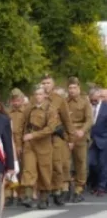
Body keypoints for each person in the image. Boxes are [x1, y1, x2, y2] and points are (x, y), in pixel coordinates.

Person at [20, 86, 58, 208]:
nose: (38, 97)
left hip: (44, 143)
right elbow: (23, 124)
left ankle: (44, 197)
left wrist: (33, 135)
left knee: (44, 171)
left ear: (45, 95)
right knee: (28, 169)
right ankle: (28, 195)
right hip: (30, 144)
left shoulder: (50, 109)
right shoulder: (29, 108)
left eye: (40, 94)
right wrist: (22, 140)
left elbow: (50, 128)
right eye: (36, 94)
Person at [41, 74, 72, 205]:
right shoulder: (36, 99)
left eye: (48, 83)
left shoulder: (59, 100)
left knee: (57, 165)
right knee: (43, 166)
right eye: (43, 83)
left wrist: (70, 138)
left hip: (56, 136)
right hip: (40, 137)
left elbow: (67, 120)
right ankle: (44, 193)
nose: (45, 86)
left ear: (53, 85)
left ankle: (57, 190)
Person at [65, 77, 93, 202]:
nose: (72, 90)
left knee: (80, 162)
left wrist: (82, 130)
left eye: (74, 87)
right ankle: (66, 187)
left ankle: (79, 188)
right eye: (70, 88)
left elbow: (89, 119)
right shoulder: (64, 102)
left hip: (80, 135)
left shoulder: (84, 102)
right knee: (65, 163)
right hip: (67, 135)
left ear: (79, 88)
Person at [7, 88, 29, 206]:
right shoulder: (7, 112)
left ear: (22, 100)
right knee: (9, 169)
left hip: (22, 143)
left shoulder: (26, 112)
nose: (16, 103)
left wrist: (20, 145)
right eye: (13, 100)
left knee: (22, 170)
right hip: (9, 143)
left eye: (18, 100)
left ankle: (21, 194)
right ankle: (9, 194)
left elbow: (25, 130)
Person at [90, 88, 107, 196]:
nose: (93, 99)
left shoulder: (105, 107)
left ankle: (101, 187)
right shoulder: (90, 107)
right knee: (91, 163)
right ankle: (95, 184)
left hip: (103, 140)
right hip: (92, 140)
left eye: (95, 97)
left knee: (103, 164)